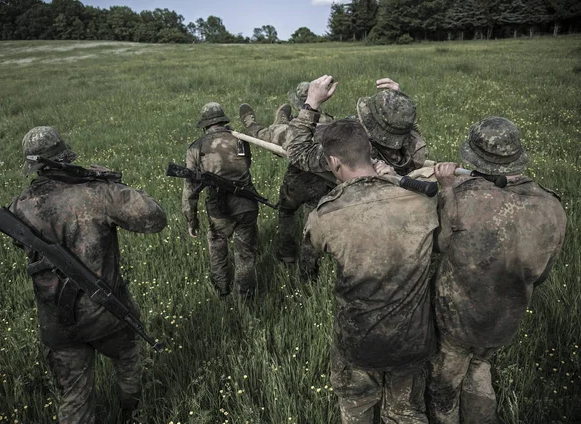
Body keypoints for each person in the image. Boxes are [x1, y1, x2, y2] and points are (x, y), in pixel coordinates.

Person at [9, 126, 167, 424]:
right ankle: (133, 415)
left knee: (74, 401)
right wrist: (109, 182)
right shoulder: (97, 193)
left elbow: (20, 241)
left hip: (58, 322)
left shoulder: (21, 205)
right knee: (129, 365)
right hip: (106, 314)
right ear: (65, 156)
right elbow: (155, 218)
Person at [427, 117, 567, 423]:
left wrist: (448, 188)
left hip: (457, 321)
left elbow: (438, 244)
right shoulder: (553, 207)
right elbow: (541, 275)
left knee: (444, 386)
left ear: (474, 158)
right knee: (480, 365)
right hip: (505, 320)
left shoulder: (463, 198)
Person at [301, 116, 439, 423]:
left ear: (334, 162)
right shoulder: (422, 201)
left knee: (357, 406)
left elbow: (309, 258)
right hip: (413, 339)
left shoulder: (327, 212)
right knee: (407, 413)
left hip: (359, 341)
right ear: (370, 153)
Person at [239, 82, 335, 275]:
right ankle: (309, 272)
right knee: (312, 225)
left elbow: (261, 136)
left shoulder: (292, 130)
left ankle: (287, 254)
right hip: (324, 184)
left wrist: (253, 126)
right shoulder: (333, 124)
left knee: (286, 211)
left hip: (297, 181)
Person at [182, 102, 258, 299]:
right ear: (223, 121)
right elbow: (245, 164)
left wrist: (191, 220)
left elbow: (190, 188)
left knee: (217, 246)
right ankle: (246, 298)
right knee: (245, 255)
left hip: (219, 210)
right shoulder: (240, 140)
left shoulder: (196, 148)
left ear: (206, 125)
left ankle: (222, 291)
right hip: (247, 203)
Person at [286, 76, 428, 177]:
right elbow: (410, 128)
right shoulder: (415, 152)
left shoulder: (358, 149)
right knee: (326, 123)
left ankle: (281, 123)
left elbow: (298, 153)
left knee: (283, 131)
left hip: (320, 134)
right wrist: (399, 102)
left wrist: (310, 105)